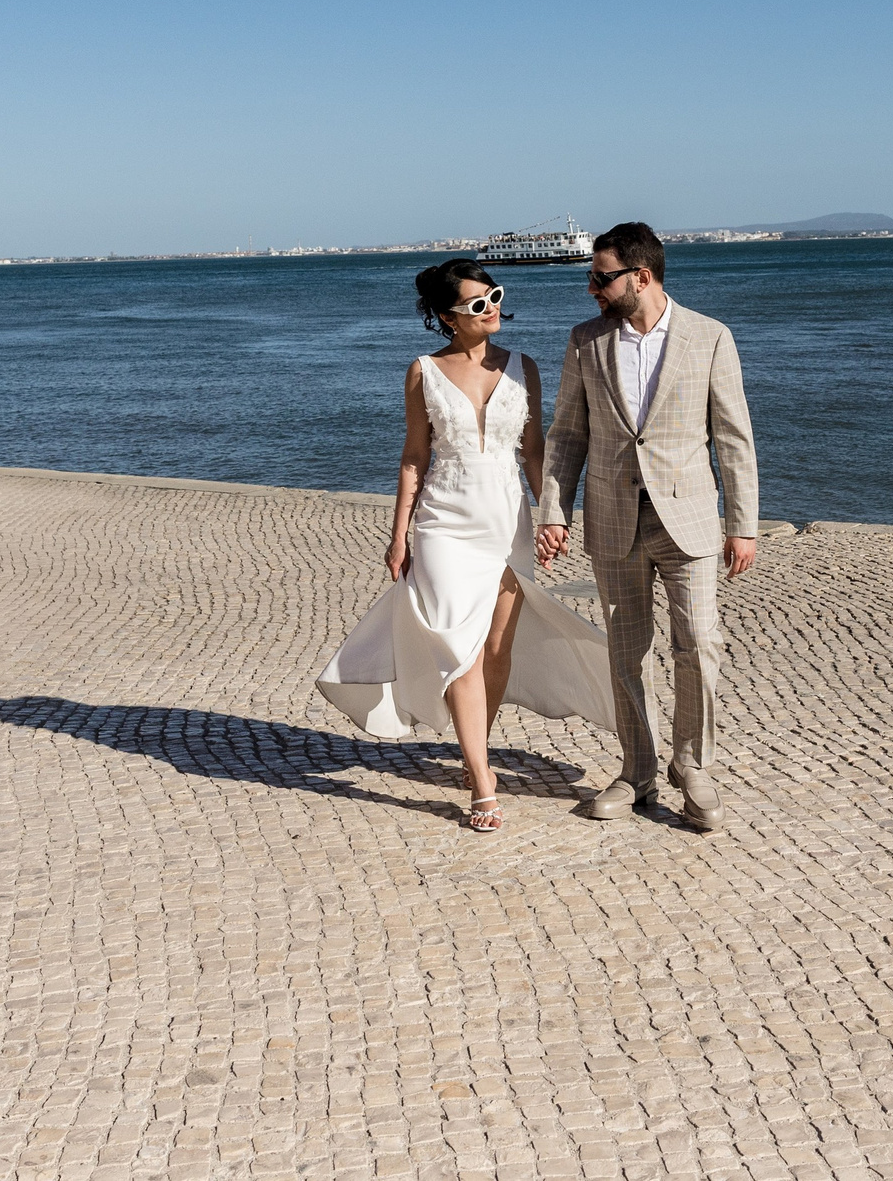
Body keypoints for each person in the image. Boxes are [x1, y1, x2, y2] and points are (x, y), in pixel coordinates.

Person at [317, 259, 618, 831]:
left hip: (506, 525)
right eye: (478, 303)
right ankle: (482, 780)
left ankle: (473, 744)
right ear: (446, 316)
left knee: (498, 649)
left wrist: (552, 514)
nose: (492, 308)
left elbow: (535, 451)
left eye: (495, 296)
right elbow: (414, 456)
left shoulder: (523, 367)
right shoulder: (423, 371)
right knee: (460, 648)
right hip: (442, 525)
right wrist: (399, 532)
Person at [534, 222, 758, 832]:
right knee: (626, 652)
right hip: (613, 520)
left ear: (642, 276)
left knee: (700, 646)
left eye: (601, 278)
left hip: (687, 519)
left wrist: (743, 524)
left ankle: (695, 769)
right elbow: (567, 436)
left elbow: (733, 438)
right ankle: (637, 770)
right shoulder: (586, 341)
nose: (591, 289)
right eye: (591, 278)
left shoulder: (710, 337)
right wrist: (553, 510)